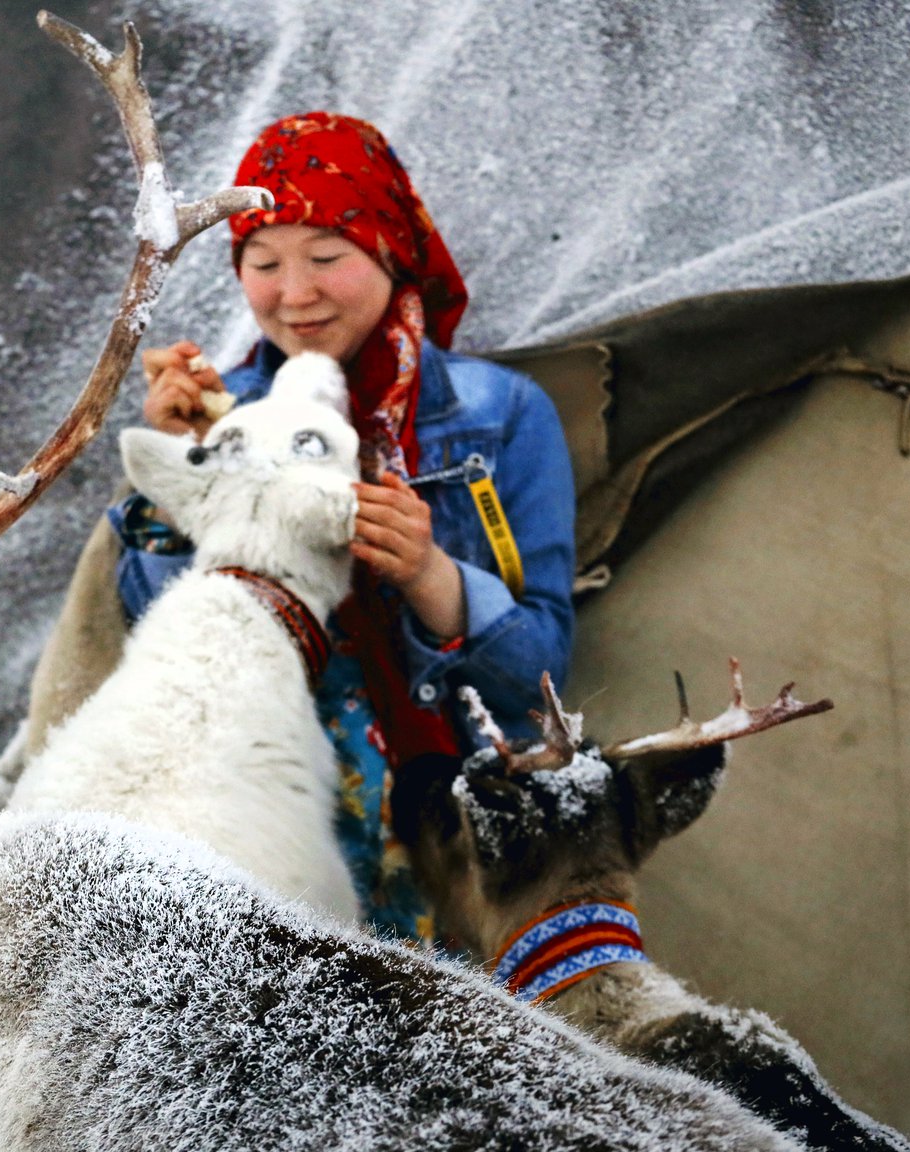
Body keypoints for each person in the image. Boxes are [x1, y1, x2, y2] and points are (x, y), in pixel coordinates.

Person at [113, 113, 576, 942]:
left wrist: (433, 577)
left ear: (391, 249)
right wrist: (181, 481)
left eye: (327, 257)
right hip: (265, 829)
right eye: (263, 263)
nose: (295, 294)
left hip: (477, 839)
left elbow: (541, 672)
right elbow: (162, 650)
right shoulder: (227, 417)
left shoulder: (501, 417)